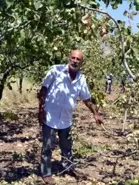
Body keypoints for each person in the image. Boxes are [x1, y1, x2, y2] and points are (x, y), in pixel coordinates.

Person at [37, 50, 104, 185]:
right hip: (50, 116)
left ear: (81, 62)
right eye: (73, 58)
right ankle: (46, 173)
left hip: (66, 119)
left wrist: (95, 114)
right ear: (69, 58)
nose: (75, 61)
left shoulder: (81, 79)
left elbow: (86, 99)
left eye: (78, 59)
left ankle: (68, 167)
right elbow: (43, 89)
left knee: (66, 146)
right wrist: (41, 109)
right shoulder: (55, 70)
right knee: (47, 147)